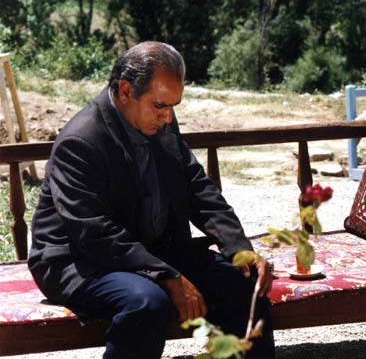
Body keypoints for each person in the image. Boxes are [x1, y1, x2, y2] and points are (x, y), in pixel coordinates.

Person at [27, 41, 275, 359]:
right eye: (160, 106)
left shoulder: (162, 124)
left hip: (148, 252)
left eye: (174, 106)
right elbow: (94, 232)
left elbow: (199, 190)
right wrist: (167, 276)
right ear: (126, 90)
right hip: (77, 259)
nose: (168, 117)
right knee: (146, 303)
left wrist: (240, 249)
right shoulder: (81, 140)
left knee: (244, 285)